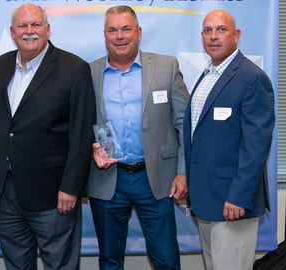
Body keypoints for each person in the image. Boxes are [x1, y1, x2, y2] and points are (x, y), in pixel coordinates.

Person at [0, 3, 96, 270]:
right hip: (6, 192)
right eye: (22, 26)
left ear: (48, 29)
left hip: (53, 193)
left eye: (36, 25)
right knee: (17, 265)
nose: (29, 31)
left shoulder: (74, 68)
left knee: (60, 265)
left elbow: (82, 134)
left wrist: (71, 187)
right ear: (12, 32)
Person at [89, 6, 189, 270]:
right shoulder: (89, 73)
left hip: (156, 178)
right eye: (112, 30)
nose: (119, 36)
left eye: (126, 29)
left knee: (167, 260)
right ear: (104, 34)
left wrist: (183, 171)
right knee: (110, 260)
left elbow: (184, 123)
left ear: (139, 32)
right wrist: (92, 148)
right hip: (109, 179)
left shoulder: (166, 67)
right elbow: (80, 125)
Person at [183, 10, 275, 270]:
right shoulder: (208, 74)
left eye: (221, 30)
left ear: (237, 35)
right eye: (208, 31)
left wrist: (239, 196)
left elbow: (256, 146)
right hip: (206, 200)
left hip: (232, 203)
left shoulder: (252, 78)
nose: (213, 37)